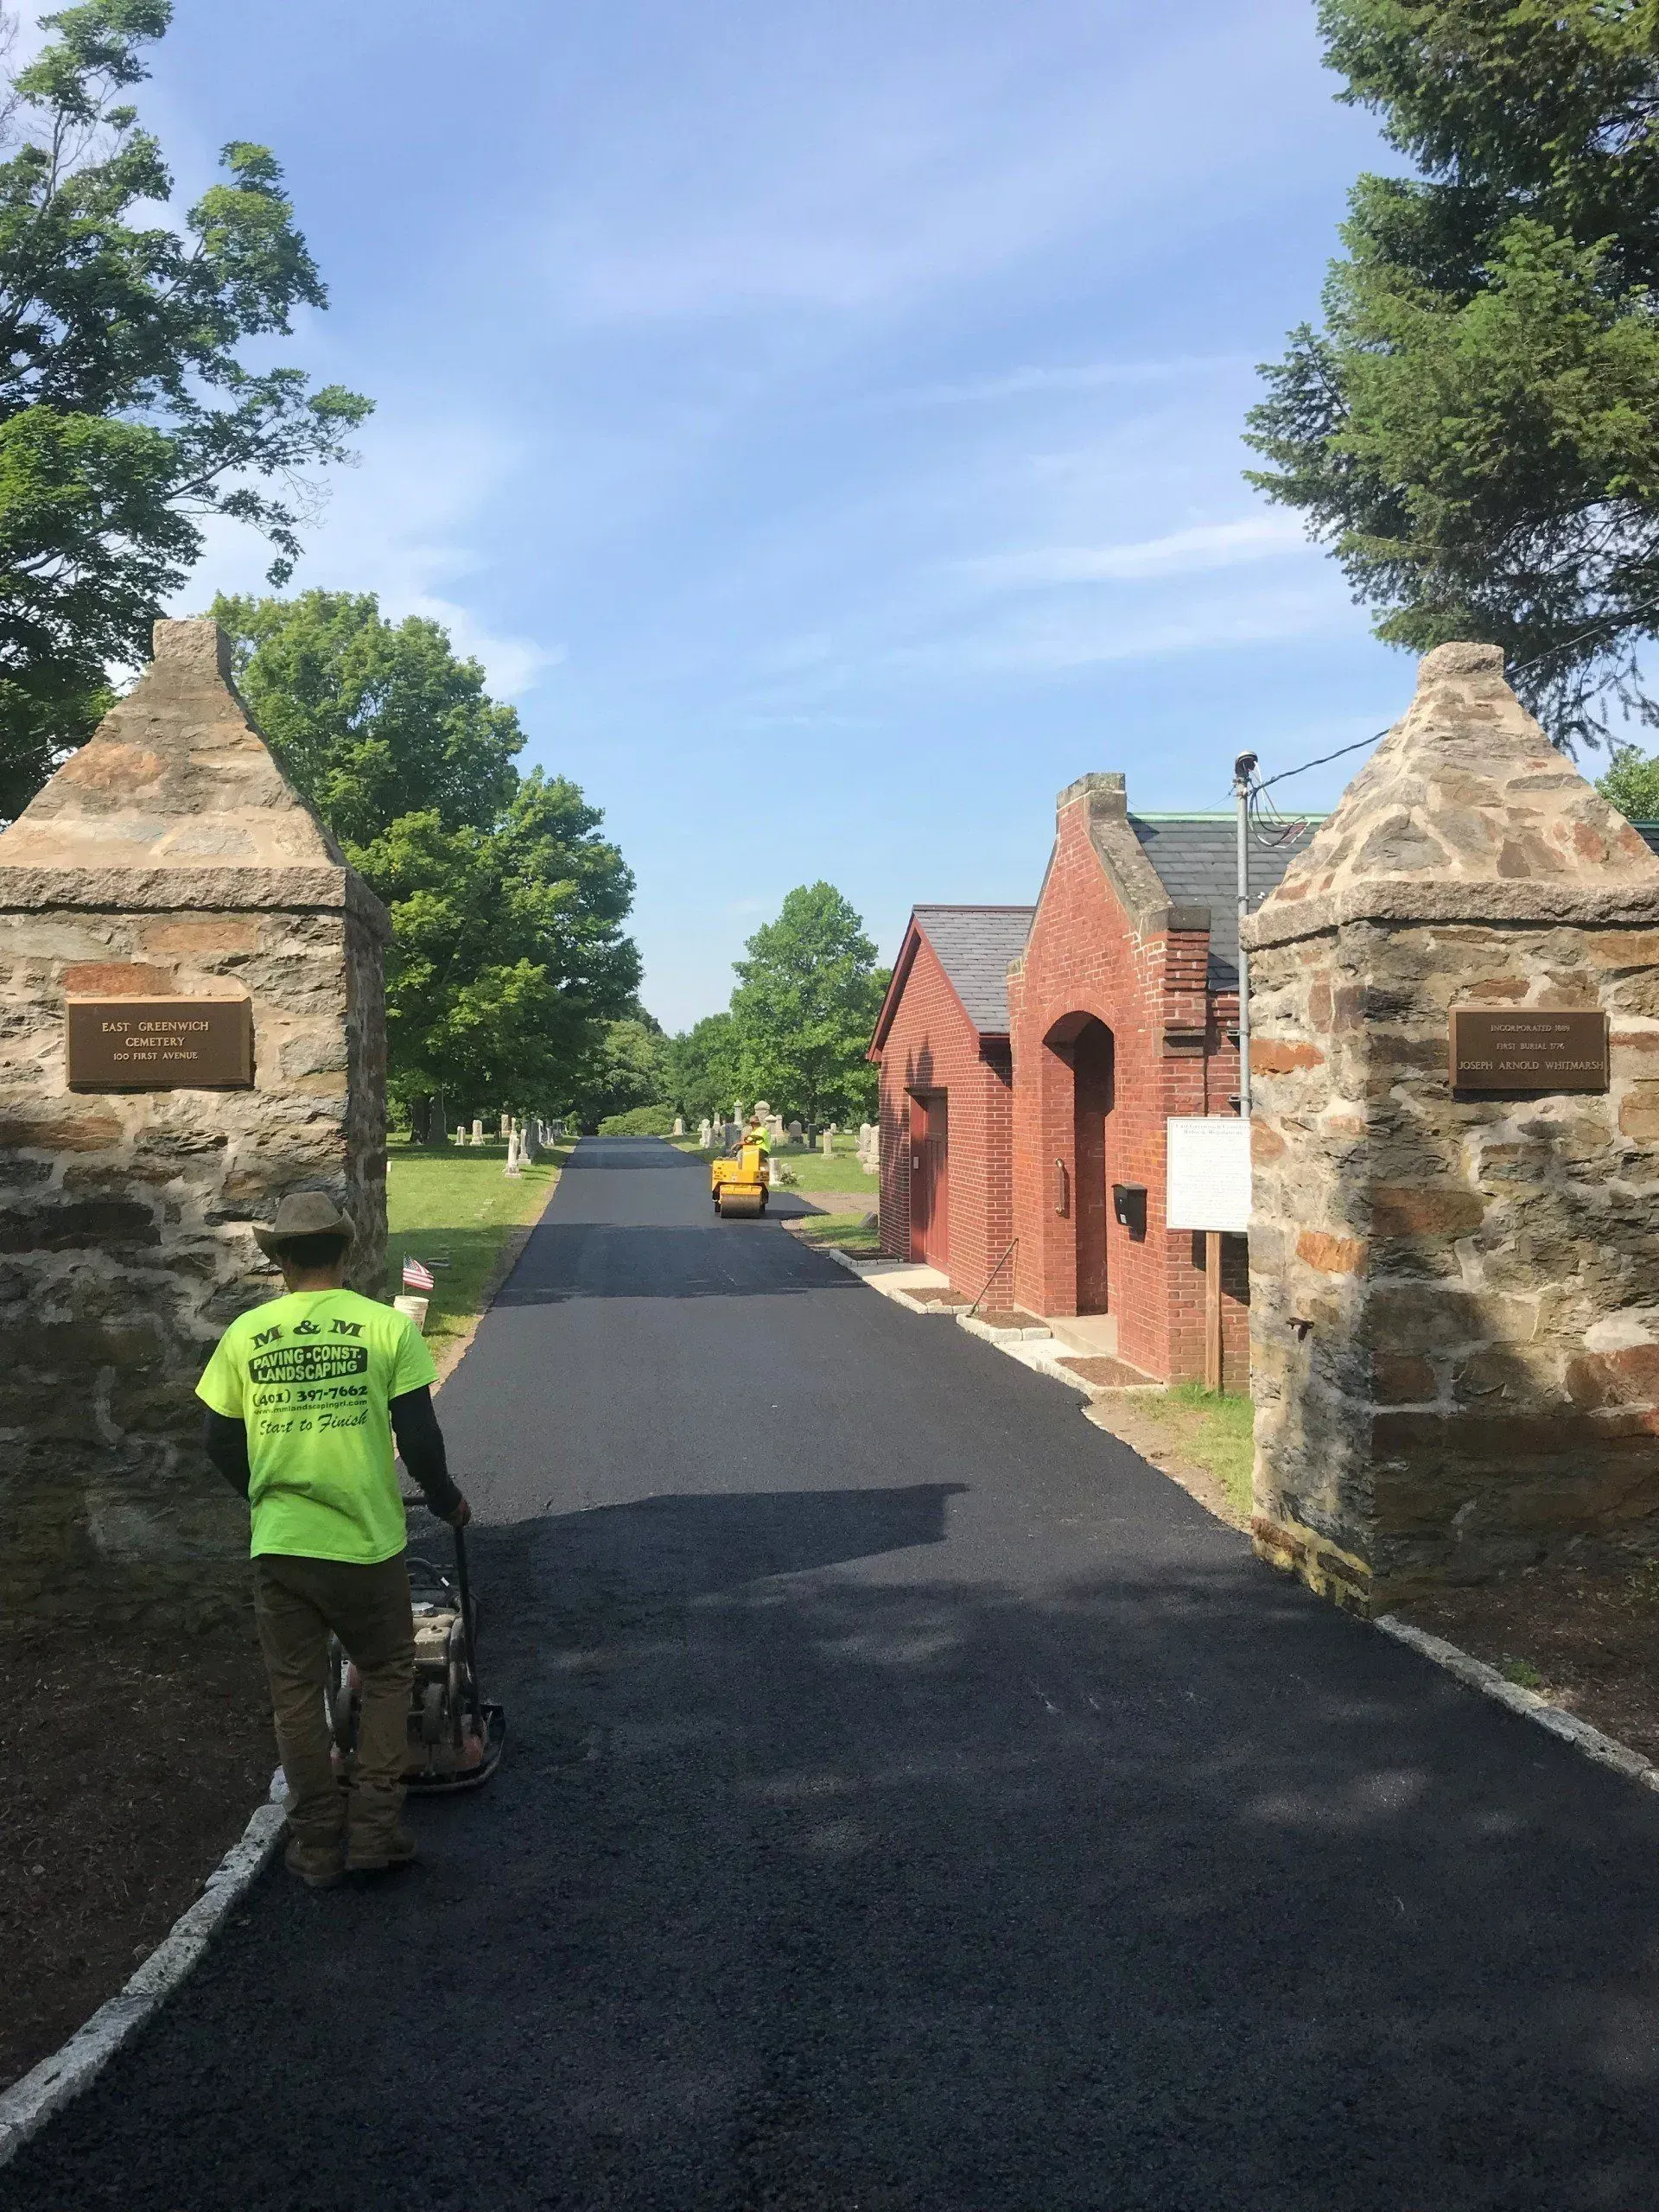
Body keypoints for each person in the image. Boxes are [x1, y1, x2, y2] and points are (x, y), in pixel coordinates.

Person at [196, 1192, 471, 1889]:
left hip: (283, 1544)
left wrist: (264, 1497)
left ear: (281, 1260)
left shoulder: (244, 1335)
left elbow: (219, 1439)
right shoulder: (386, 1329)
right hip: (366, 1545)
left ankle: (316, 1842)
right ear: (345, 1253)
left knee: (294, 1693)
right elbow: (419, 1438)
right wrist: (445, 1500)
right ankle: (375, 1831)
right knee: (385, 1674)